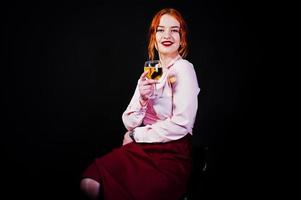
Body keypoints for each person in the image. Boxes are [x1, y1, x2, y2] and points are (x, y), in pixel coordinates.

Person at [80, 8, 200, 200]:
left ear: (182, 37)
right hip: (142, 148)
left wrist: (136, 134)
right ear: (154, 36)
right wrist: (143, 99)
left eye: (174, 30)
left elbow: (182, 124)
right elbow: (129, 122)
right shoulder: (151, 72)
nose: (167, 35)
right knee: (90, 181)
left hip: (170, 154)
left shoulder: (184, 69)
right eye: (160, 30)